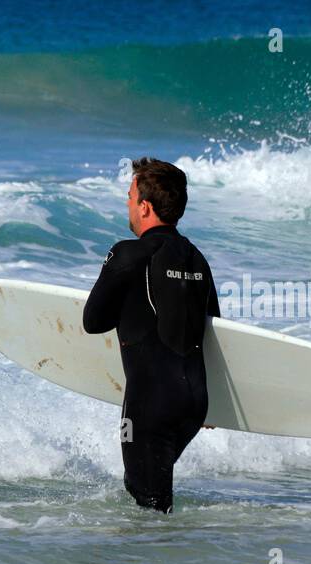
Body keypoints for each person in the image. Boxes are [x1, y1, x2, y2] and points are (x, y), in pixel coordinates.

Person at [82, 158, 218, 513]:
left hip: (150, 402)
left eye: (129, 196)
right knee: (151, 491)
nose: (127, 204)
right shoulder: (197, 259)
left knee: (149, 503)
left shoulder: (128, 253)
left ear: (145, 205)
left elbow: (92, 321)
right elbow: (214, 332)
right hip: (194, 402)